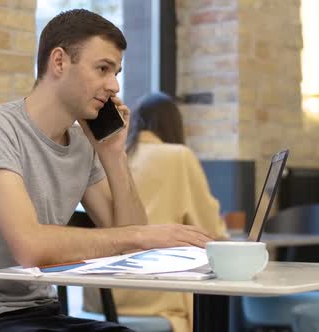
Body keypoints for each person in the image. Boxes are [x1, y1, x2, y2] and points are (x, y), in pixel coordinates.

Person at [0, 9, 214, 332]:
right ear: (59, 61)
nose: (114, 86)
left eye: (117, 72)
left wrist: (113, 154)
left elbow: (127, 237)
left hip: (42, 312)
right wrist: (141, 235)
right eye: (103, 69)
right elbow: (31, 247)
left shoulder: (83, 145)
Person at [83, 92, 228, 332]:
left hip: (100, 294)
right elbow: (210, 230)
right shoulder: (178, 155)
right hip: (152, 291)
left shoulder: (113, 152)